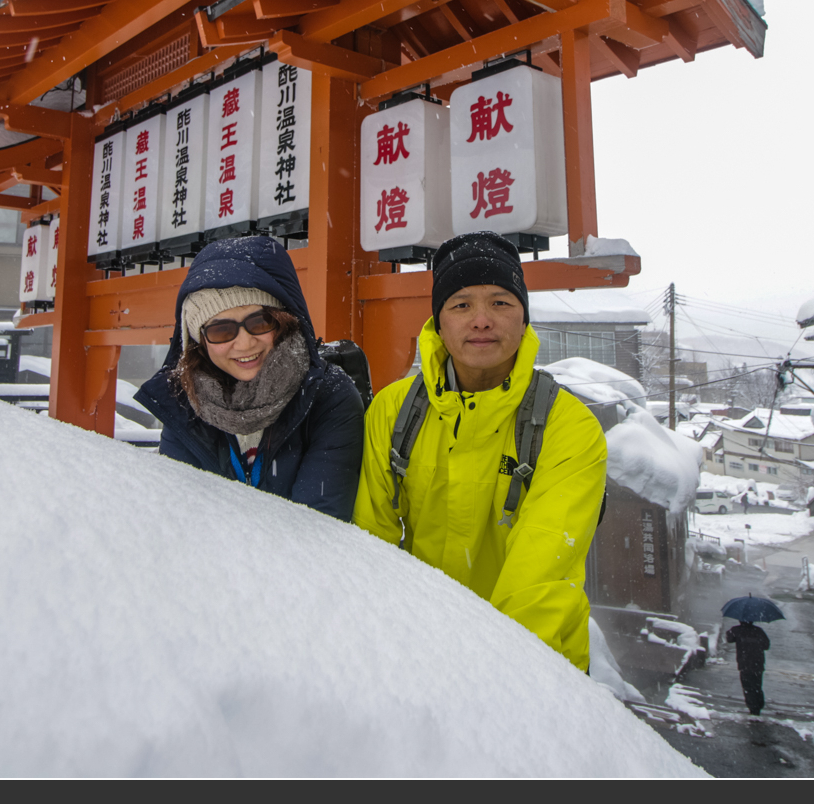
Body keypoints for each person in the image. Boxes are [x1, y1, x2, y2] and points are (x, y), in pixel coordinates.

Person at [352, 231, 608, 670]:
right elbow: (368, 543)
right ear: (437, 322)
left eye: (501, 303)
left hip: (535, 665)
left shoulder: (570, 429)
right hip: (417, 648)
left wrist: (493, 681)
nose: (482, 320)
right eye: (461, 304)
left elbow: (538, 583)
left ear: (523, 319)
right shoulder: (392, 412)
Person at [136, 235, 364, 520]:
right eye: (221, 330)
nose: (244, 345)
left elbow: (316, 527)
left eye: (260, 322)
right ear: (199, 341)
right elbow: (179, 518)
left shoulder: (328, 397)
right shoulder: (184, 403)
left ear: (284, 321)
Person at [726, 619, 770, 714]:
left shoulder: (736, 630)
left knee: (747, 687)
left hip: (744, 663)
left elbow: (729, 639)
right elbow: (766, 645)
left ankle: (753, 707)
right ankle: (759, 704)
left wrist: (729, 632)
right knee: (757, 685)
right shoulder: (759, 631)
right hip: (758, 663)